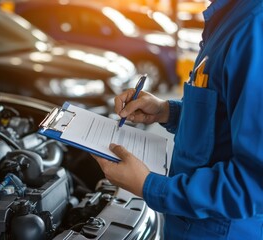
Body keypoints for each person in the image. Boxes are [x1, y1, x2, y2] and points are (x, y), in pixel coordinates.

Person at [91, 0, 263, 239]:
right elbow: (222, 122)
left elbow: (254, 185)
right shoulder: (227, 17)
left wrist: (150, 186)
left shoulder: (254, 27)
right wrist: (165, 111)